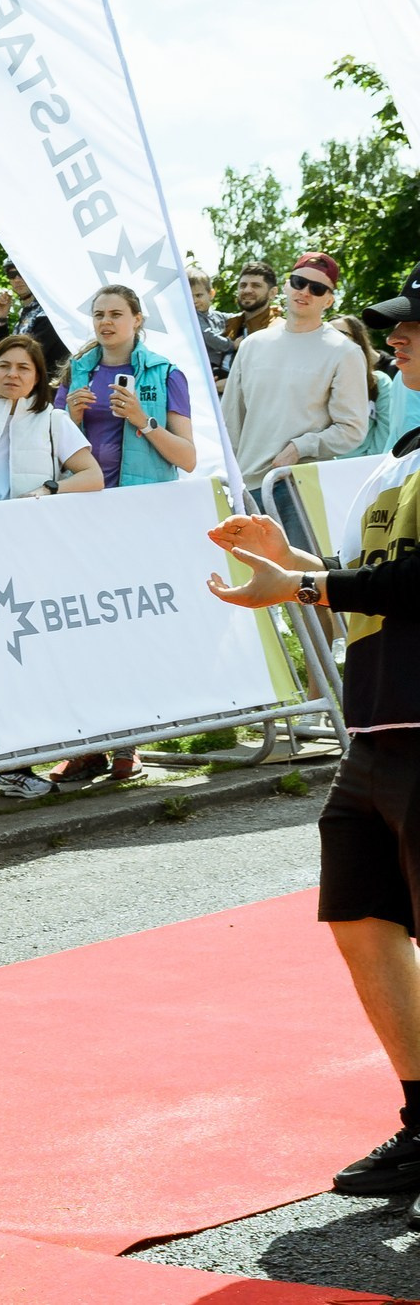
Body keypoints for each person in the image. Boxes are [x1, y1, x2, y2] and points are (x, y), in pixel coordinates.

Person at [202, 263, 420, 1214]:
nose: (398, 341)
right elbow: (379, 578)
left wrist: (301, 586)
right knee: (360, 916)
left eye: (413, 329)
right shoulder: (407, 444)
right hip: (378, 722)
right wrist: (301, 564)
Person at [224, 253, 370, 501]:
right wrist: (231, 477)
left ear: (329, 300)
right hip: (246, 486)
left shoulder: (344, 352)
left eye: (317, 288)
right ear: (285, 286)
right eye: (299, 282)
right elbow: (231, 420)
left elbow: (352, 429)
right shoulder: (252, 345)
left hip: (301, 486)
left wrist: (300, 447)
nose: (305, 292)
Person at [58, 284, 199, 489]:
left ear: (137, 320)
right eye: (99, 315)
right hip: (83, 500)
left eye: (115, 314)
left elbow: (188, 460)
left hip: (143, 503)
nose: (105, 321)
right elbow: (51, 454)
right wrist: (73, 420)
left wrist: (142, 420)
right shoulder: (75, 372)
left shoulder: (166, 373)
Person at [0, 334, 103, 502]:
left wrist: (49, 489)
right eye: (4, 366)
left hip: (30, 522)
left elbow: (93, 476)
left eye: (23, 368)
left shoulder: (54, 420)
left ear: (37, 377)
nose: (12, 374)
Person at [0, 260, 70, 376]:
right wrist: (1, 318)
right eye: (12, 275)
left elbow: (27, 355)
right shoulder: (26, 312)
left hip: (50, 389)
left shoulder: (49, 311)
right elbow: (1, 354)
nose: (17, 279)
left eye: (22, 273)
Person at [335, 317, 400, 460]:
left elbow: (386, 428)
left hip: (367, 467)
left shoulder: (379, 381)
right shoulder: (314, 383)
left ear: (358, 340)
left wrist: (368, 463)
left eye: (339, 333)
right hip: (320, 469)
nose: (332, 339)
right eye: (326, 333)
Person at [192, 269, 237, 383]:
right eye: (190, 296)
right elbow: (208, 336)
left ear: (211, 294)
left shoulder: (217, 316)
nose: (194, 301)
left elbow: (235, 317)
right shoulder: (194, 317)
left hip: (221, 365)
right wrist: (232, 345)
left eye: (198, 295)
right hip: (206, 366)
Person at [224, 261, 280, 347]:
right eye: (243, 285)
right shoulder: (228, 326)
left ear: (272, 293)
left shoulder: (278, 332)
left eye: (256, 285)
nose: (247, 290)